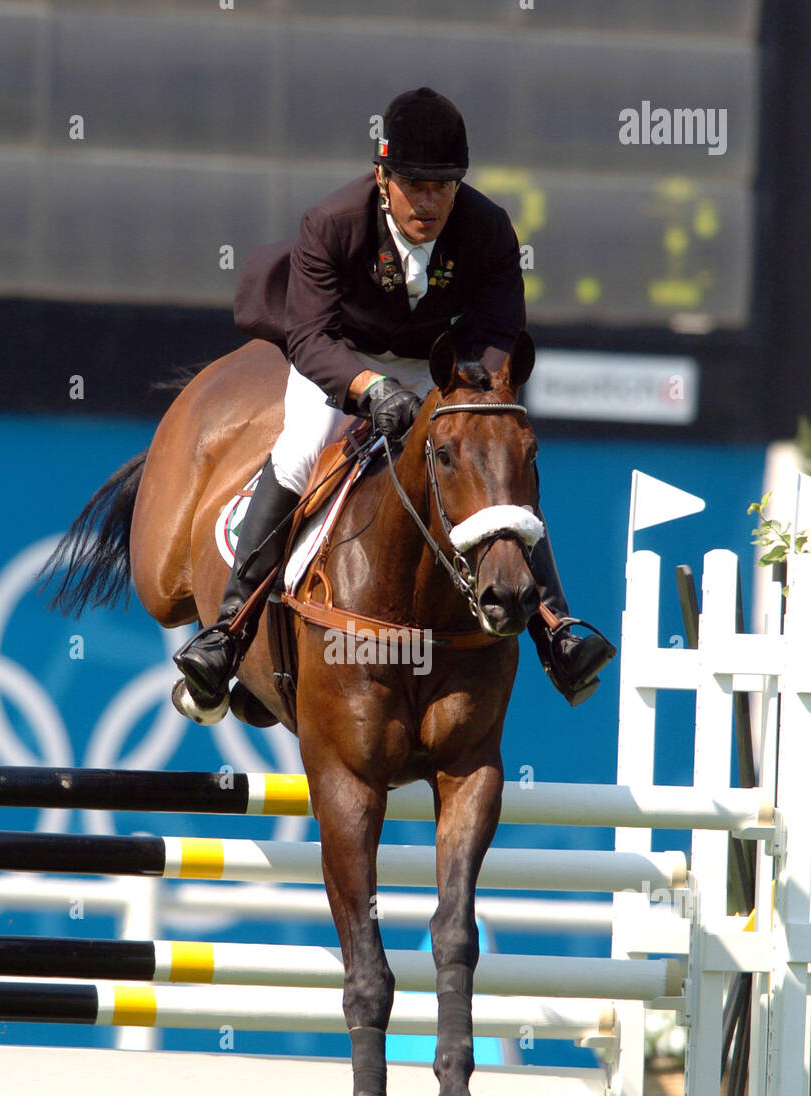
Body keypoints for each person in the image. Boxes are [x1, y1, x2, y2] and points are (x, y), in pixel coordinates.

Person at [173, 87, 614, 723]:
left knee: (495, 466)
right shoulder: (333, 223)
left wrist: (472, 393)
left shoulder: (487, 229)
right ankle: (228, 633)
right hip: (340, 360)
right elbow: (309, 337)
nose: (429, 201)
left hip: (437, 368)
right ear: (383, 176)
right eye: (414, 184)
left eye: (444, 185)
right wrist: (368, 390)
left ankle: (554, 629)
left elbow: (498, 332)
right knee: (299, 453)